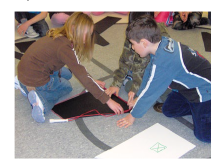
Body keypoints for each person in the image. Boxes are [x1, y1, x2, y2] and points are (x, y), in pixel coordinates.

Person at [15, 11, 123, 123]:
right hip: (36, 78)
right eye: (85, 34)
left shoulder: (58, 34)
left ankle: (22, 84)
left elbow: (78, 69)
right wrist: (108, 100)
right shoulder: (65, 48)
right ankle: (40, 101)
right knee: (67, 87)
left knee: (67, 73)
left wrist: (92, 80)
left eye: (89, 34)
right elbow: (82, 75)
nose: (87, 38)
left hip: (26, 70)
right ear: (73, 28)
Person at [117, 15, 211, 143]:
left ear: (144, 43)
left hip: (204, 91)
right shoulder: (161, 43)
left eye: (133, 44)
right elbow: (149, 72)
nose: (132, 48)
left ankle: (203, 108)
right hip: (188, 89)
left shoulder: (164, 61)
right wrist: (138, 95)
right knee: (169, 110)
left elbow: (152, 91)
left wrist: (133, 116)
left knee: (204, 136)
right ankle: (198, 109)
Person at [105, 11, 170, 107]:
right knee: (132, 89)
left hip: (156, 75)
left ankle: (132, 82)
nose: (132, 47)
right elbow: (125, 61)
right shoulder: (132, 34)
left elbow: (162, 73)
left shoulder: (163, 41)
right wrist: (116, 83)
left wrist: (141, 92)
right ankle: (129, 80)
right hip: (139, 70)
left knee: (169, 97)